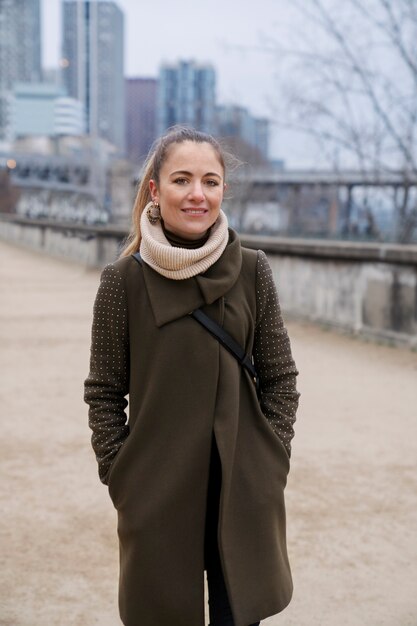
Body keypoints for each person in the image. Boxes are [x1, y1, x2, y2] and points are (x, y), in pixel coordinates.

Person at [84, 126, 300, 626]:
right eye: (182, 180)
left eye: (211, 181)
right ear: (155, 190)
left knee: (238, 616)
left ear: (224, 189)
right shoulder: (124, 282)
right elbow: (103, 392)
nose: (198, 194)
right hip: (156, 488)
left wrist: (271, 457)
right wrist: (121, 474)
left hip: (244, 487)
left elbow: (281, 377)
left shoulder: (252, 270)